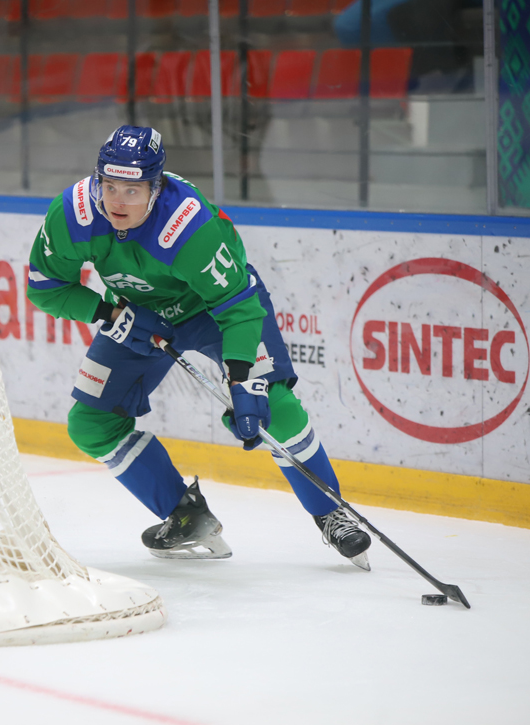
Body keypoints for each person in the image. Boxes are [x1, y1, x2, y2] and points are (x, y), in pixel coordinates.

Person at [26, 125, 373, 566]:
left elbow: (237, 306)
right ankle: (185, 516)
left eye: (132, 191)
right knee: (91, 424)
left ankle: (332, 514)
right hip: (140, 316)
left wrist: (242, 379)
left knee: (274, 406)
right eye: (109, 187)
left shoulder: (189, 225)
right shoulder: (73, 214)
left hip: (214, 311)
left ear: (156, 188)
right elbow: (44, 286)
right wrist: (111, 314)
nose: (117, 202)